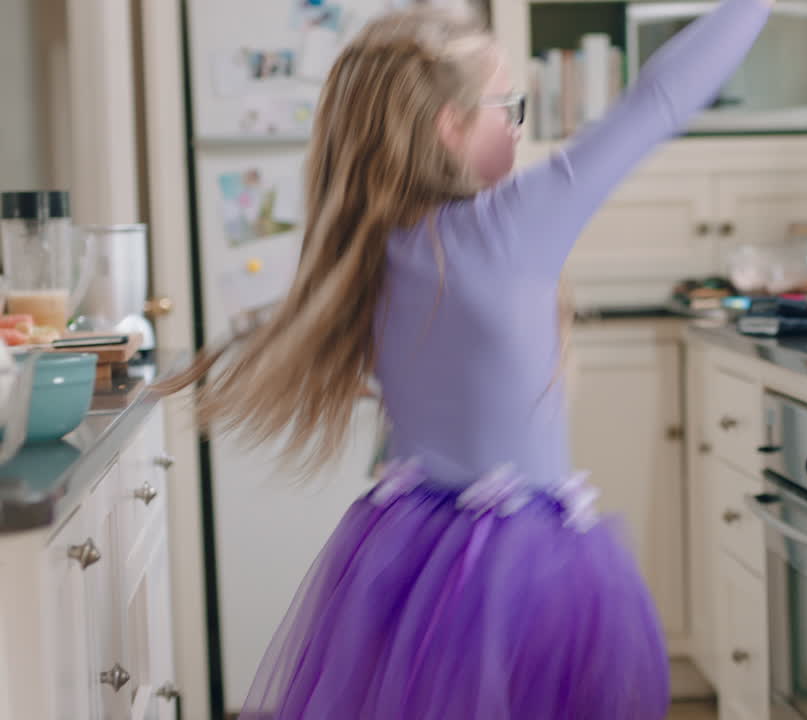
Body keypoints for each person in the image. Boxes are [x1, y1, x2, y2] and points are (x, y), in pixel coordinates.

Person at [158, 0, 772, 715]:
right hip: (528, 571)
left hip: (405, 555)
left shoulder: (365, 245)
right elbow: (658, 100)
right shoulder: (514, 223)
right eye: (504, 106)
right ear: (451, 126)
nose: (515, 123)